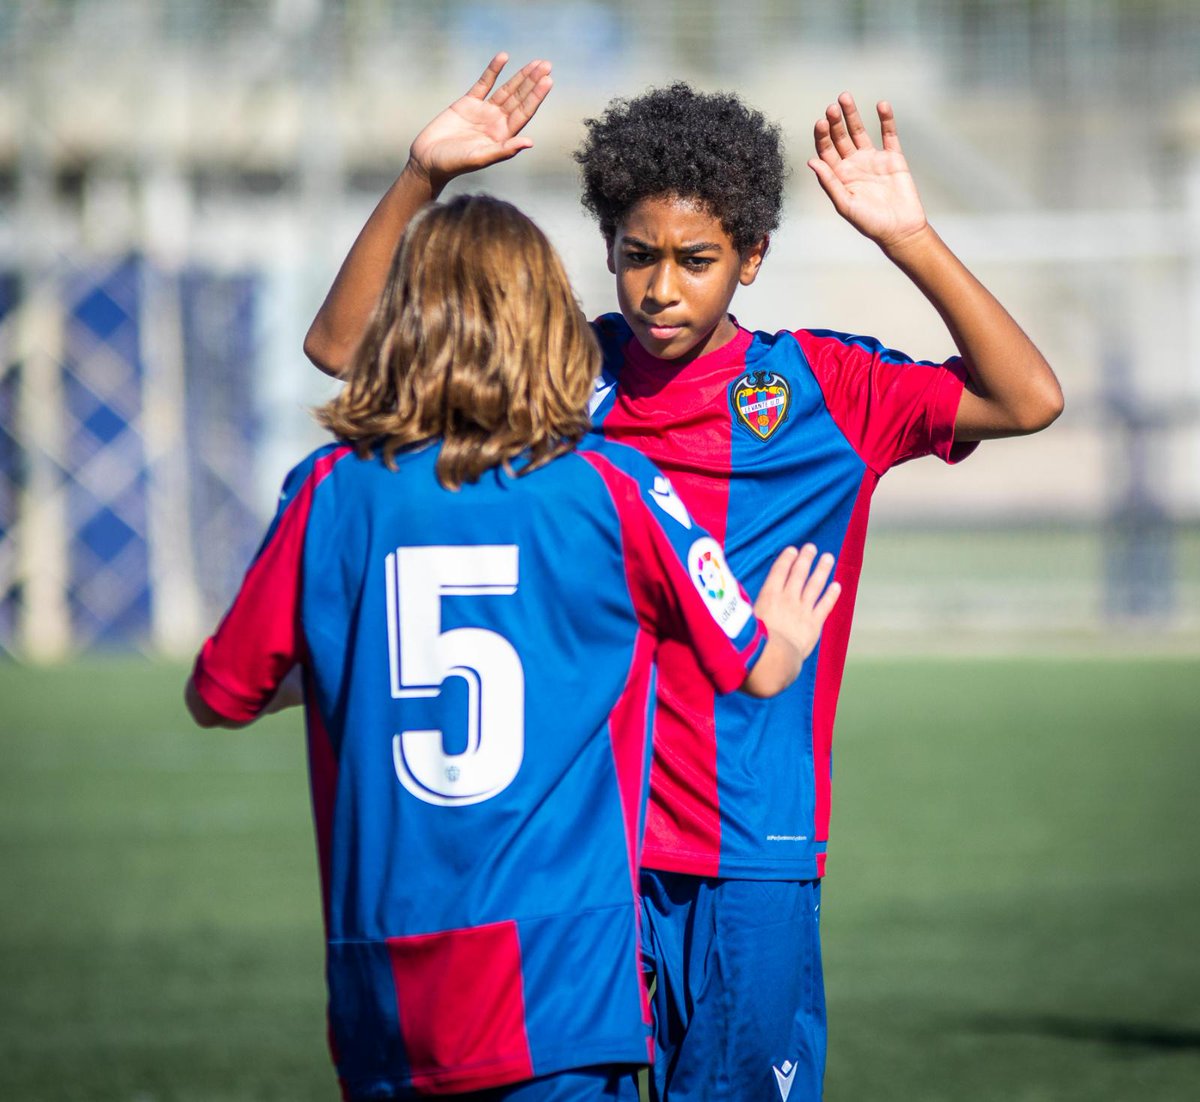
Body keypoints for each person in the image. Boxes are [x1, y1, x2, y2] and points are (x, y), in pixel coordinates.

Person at [301, 56, 1064, 1101]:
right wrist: (421, 177)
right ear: (608, 248)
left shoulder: (827, 388)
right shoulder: (556, 372)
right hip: (578, 855)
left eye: (696, 260)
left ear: (751, 257)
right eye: (637, 256)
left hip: (749, 844)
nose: (661, 288)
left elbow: (1028, 399)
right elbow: (343, 348)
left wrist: (908, 239)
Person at [187, 193, 841, 1101]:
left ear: (402, 321)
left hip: (384, 985)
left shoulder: (328, 486)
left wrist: (363, 668)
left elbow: (220, 695)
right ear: (550, 322)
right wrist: (789, 633)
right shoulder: (613, 485)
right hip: (557, 983)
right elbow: (757, 666)